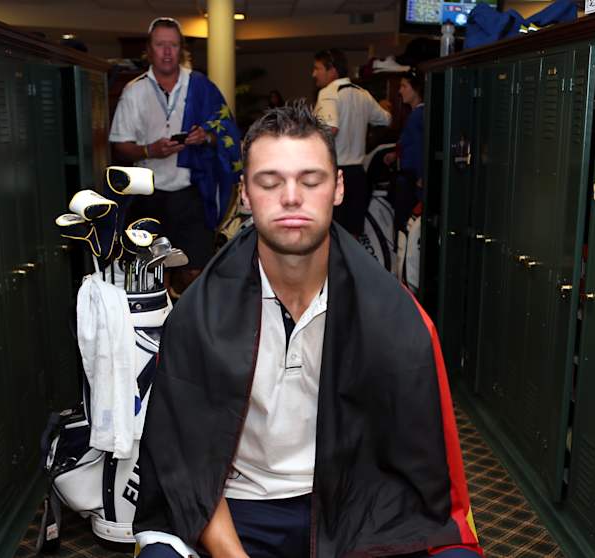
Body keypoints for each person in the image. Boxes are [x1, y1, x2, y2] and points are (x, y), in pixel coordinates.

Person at [132, 102, 483, 558]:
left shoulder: (395, 317)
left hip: (357, 502)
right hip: (239, 507)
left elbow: (419, 470)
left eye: (311, 180)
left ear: (338, 188)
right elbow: (185, 463)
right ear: (244, 194)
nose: (291, 197)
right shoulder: (198, 317)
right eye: (269, 182)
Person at [110, 17, 242, 295]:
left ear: (181, 49)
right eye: (161, 45)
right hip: (148, 195)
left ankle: (186, 316)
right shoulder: (134, 91)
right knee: (152, 275)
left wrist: (205, 136)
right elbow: (120, 144)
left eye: (173, 45)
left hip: (191, 193)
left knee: (195, 272)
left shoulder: (201, 86)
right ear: (149, 49)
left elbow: (225, 130)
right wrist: (149, 150)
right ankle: (161, 316)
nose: (167, 51)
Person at [312, 48, 391, 237]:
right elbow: (386, 119)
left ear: (332, 70)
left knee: (330, 237)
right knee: (352, 237)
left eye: (317, 68)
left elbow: (331, 128)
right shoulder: (362, 93)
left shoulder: (328, 92)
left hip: (335, 175)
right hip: (358, 176)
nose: (313, 74)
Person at [384, 70, 426, 234]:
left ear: (416, 89)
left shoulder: (418, 115)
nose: (400, 91)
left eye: (404, 86)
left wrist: (422, 176)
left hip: (412, 179)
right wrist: (395, 154)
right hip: (410, 177)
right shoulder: (416, 114)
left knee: (404, 226)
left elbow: (422, 147)